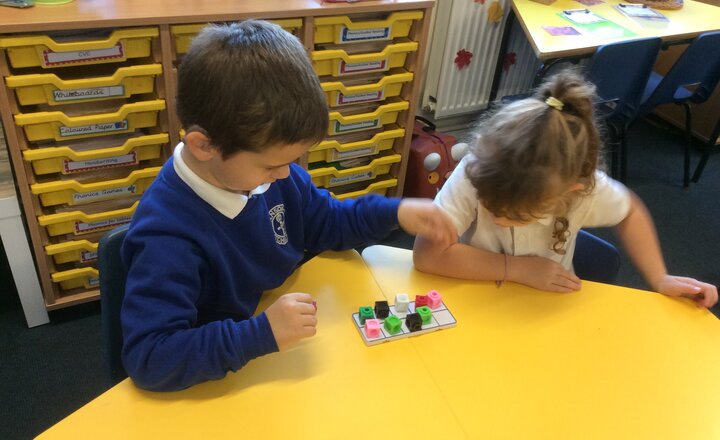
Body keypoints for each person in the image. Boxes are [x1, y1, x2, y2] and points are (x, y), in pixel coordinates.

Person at [120, 20, 456, 392]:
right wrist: (259, 334)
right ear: (204, 146)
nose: (285, 175)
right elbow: (151, 357)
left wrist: (394, 212)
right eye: (271, 165)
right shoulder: (166, 235)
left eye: (292, 161)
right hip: (220, 376)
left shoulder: (269, 176)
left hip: (272, 341)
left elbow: (328, 222)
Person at [413, 69, 717, 309]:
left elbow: (631, 212)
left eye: (518, 214)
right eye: (491, 204)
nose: (498, 219)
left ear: (571, 190)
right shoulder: (477, 169)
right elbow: (427, 256)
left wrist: (660, 278)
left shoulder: (585, 190)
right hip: (477, 298)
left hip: (544, 307)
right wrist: (516, 268)